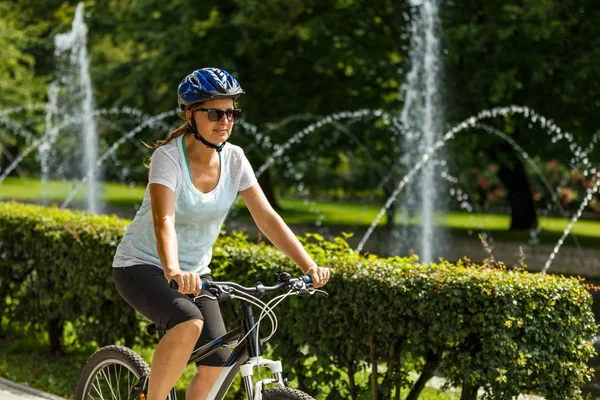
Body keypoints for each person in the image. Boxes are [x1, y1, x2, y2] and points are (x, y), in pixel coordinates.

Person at [112, 67, 330, 400]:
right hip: (141, 265)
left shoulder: (235, 160)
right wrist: (172, 270)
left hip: (197, 274)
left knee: (218, 365)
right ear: (190, 115)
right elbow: (164, 220)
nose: (225, 120)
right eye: (215, 112)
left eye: (232, 113)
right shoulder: (168, 158)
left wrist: (308, 265)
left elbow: (267, 218)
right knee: (188, 322)